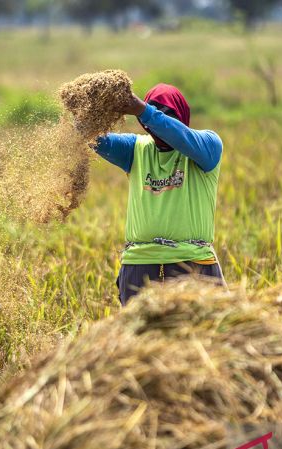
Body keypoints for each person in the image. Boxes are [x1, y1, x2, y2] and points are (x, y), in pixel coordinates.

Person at [94, 83, 224, 305]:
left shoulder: (207, 146)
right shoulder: (135, 149)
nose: (158, 123)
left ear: (181, 115)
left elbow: (175, 133)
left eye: (167, 115)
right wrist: (89, 108)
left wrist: (144, 111)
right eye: (154, 114)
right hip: (139, 266)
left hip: (192, 264)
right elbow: (94, 139)